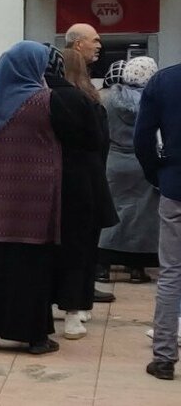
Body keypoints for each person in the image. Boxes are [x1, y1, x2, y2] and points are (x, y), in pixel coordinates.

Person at [0, 41, 72, 355]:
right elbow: (75, 137)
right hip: (34, 200)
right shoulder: (46, 100)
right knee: (31, 267)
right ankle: (35, 338)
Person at [46, 47, 117, 340]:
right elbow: (100, 144)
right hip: (87, 183)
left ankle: (52, 298)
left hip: (52, 182)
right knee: (83, 248)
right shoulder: (91, 101)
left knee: (53, 247)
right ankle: (77, 308)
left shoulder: (46, 99)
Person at [134, 60, 181, 381]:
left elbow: (143, 139)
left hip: (176, 186)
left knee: (172, 272)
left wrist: (158, 175)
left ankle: (164, 358)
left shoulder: (164, 82)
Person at [98, 57, 160, 285]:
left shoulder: (105, 99)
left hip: (112, 162)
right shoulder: (153, 100)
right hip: (142, 163)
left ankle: (102, 266)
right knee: (140, 216)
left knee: (111, 210)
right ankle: (136, 268)